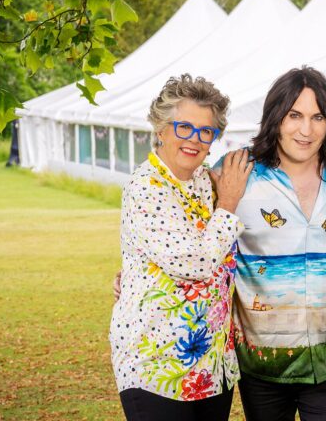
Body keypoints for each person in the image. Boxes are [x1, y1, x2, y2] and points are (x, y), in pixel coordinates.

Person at [109, 74, 252, 420]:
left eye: (206, 131)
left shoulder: (207, 181)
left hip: (210, 365)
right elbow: (195, 263)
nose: (195, 140)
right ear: (161, 128)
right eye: (184, 127)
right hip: (157, 366)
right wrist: (229, 203)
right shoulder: (147, 187)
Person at [222, 67, 326, 421]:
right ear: (275, 117)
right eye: (294, 115)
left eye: (318, 117)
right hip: (263, 364)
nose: (306, 130)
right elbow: (196, 232)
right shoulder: (237, 171)